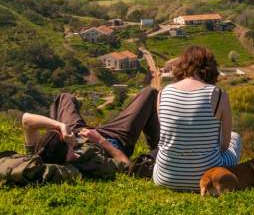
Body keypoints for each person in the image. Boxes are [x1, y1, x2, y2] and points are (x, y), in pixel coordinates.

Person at [153, 46, 242, 192]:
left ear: (182, 66)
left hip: (164, 178)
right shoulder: (218, 95)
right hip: (208, 180)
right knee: (236, 138)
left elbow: (165, 134)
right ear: (211, 69)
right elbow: (225, 146)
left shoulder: (163, 93)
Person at [22, 86, 160, 171]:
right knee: (150, 93)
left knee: (64, 98)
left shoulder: (40, 155)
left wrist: (61, 126)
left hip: (80, 131)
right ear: (68, 155)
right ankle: (159, 149)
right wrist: (100, 140)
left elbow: (27, 120)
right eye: (69, 144)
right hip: (112, 139)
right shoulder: (89, 163)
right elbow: (126, 165)